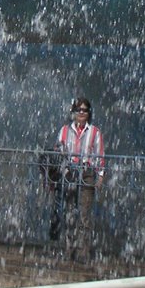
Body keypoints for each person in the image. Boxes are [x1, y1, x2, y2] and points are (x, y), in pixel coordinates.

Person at [54, 96, 105, 258]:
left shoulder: (95, 132)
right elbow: (59, 153)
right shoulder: (64, 131)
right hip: (69, 172)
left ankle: (84, 251)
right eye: (78, 110)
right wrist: (64, 171)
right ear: (73, 113)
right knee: (69, 211)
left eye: (84, 110)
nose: (81, 113)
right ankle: (69, 248)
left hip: (87, 173)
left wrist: (101, 176)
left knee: (84, 212)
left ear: (89, 113)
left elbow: (99, 154)